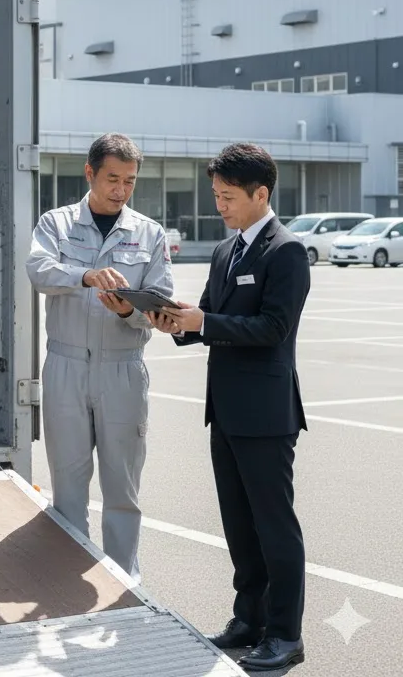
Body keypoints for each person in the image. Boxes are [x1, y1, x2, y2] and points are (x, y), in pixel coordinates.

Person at [149, 143, 309, 673]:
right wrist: (175, 322)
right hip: (226, 411)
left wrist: (204, 324)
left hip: (266, 415)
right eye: (215, 195)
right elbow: (211, 317)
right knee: (240, 526)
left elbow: (273, 329)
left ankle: (286, 634)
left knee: (274, 527)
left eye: (228, 197)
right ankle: (249, 621)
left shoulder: (285, 252)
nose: (219, 205)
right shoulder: (226, 251)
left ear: (261, 194)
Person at [26, 133, 172, 585]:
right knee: (68, 482)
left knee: (122, 484)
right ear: (89, 173)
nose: (121, 190)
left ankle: (124, 581)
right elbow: (38, 270)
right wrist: (85, 275)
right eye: (112, 179)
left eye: (129, 181)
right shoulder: (56, 224)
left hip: (122, 369)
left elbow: (160, 301)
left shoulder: (149, 233)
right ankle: (68, 581)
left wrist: (130, 310)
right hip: (66, 366)